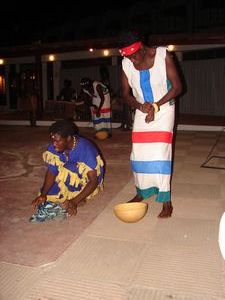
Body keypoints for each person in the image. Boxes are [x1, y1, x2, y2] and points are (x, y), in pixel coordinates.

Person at [118, 30, 182, 218]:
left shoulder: (162, 55)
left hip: (164, 109)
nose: (133, 61)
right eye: (128, 58)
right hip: (141, 111)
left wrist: (155, 105)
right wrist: (139, 105)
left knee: (160, 154)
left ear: (142, 48)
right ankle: (141, 192)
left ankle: (166, 201)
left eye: (134, 56)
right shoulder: (126, 63)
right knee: (138, 155)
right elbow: (125, 95)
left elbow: (178, 87)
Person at [30, 119, 105, 222]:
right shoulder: (54, 147)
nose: (54, 144)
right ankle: (74, 195)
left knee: (75, 189)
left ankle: (80, 197)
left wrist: (74, 201)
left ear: (69, 138)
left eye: (57, 140)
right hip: (69, 169)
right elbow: (52, 171)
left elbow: (93, 181)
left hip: (88, 177)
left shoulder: (86, 149)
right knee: (51, 194)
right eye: (52, 140)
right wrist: (43, 193)